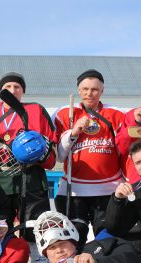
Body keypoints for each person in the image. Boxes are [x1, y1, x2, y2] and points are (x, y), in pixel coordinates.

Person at [0, 72, 57, 263]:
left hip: (31, 182)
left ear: (23, 91)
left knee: (36, 231)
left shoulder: (35, 110)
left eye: (17, 87)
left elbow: (51, 157)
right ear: (0, 91)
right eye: (8, 87)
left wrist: (38, 149)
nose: (12, 91)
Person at [53, 69, 125, 243]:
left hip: (108, 190)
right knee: (73, 240)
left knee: (106, 240)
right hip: (74, 190)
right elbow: (60, 156)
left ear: (102, 91)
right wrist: (74, 132)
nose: (89, 93)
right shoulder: (65, 113)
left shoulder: (115, 114)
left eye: (94, 89)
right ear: (78, 90)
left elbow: (125, 149)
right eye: (85, 89)